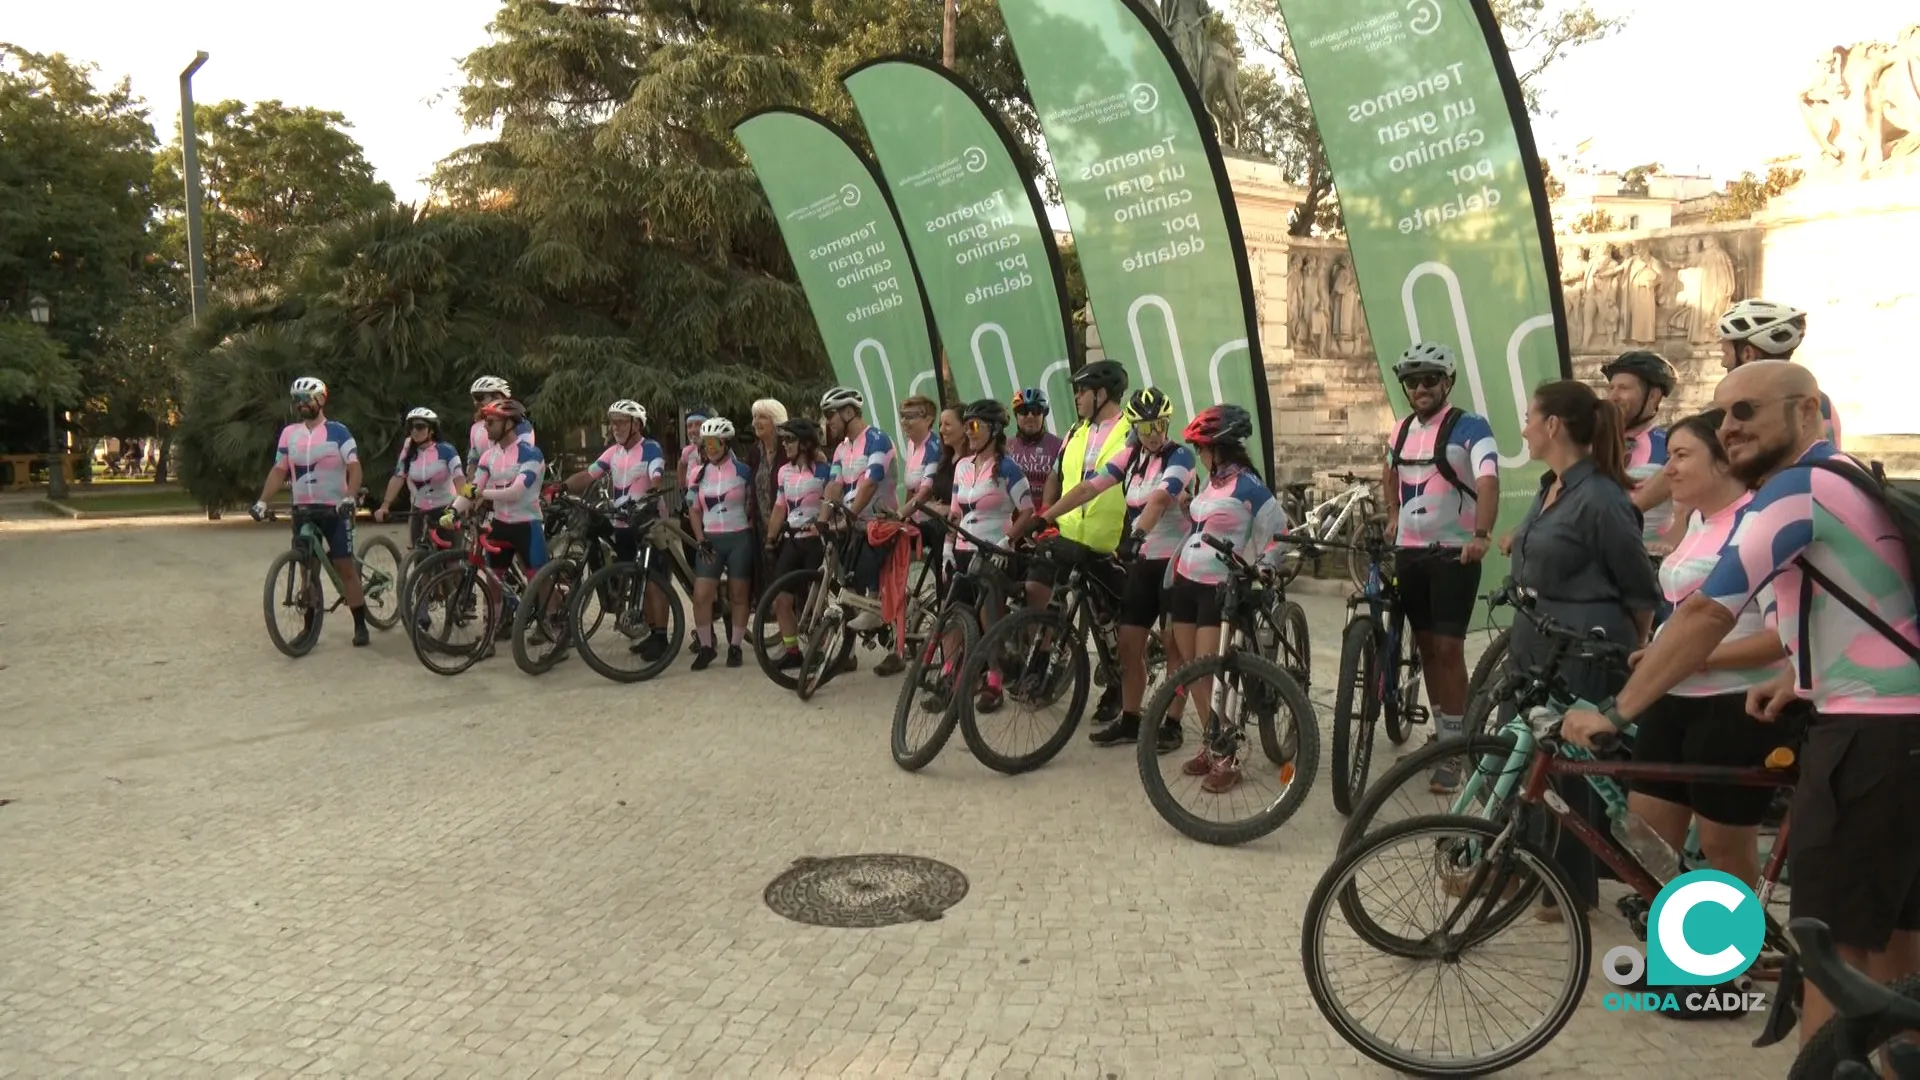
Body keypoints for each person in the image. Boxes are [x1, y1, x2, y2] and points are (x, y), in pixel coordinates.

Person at [1562, 361, 1920, 1046]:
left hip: (1866, 746)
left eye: (1747, 411)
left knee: (1833, 959)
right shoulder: (1849, 480)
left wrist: (1615, 713)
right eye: (1723, 415)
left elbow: (1705, 615)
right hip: (1900, 736)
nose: (1730, 428)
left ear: (1807, 409)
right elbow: (1877, 609)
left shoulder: (1795, 491)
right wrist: (1800, 677)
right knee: (1898, 950)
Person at [1622, 409, 1797, 906]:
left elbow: (1779, 639)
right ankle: (1684, 939)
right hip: (1670, 695)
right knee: (1646, 837)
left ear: (1722, 461)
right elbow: (1684, 607)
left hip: (1733, 704)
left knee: (1724, 848)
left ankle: (1733, 960)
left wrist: (1702, 658)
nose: (1667, 469)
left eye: (1680, 456)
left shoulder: (1755, 524)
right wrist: (1660, 652)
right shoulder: (1696, 519)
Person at [1507, 379, 1663, 920]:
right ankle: (1526, 867)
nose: (1523, 428)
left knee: (1569, 773)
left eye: (1529, 417)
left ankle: (1569, 888)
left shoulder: (1602, 497)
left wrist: (1632, 654)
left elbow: (1642, 590)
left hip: (1586, 646)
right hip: (1535, 640)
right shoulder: (1550, 486)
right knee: (1524, 756)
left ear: (1553, 426)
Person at [1024, 387, 1194, 751]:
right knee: (1130, 646)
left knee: (1174, 647)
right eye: (1145, 427)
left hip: (1175, 563)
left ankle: (1174, 723)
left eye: (1159, 425)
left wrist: (1136, 534)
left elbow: (1161, 499)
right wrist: (1045, 517)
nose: (1153, 434)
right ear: (1135, 427)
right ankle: (1131, 719)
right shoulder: (1130, 455)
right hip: (1142, 563)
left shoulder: (1180, 455)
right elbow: (1088, 487)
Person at [1380, 342, 1500, 792]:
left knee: (1449, 650)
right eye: (1413, 381)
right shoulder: (1401, 430)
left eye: (1430, 379)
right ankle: (1446, 733)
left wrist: (1482, 535)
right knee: (1427, 648)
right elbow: (1389, 473)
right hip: (1410, 553)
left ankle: (1457, 746)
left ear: (1447, 382)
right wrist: (1392, 513)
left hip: (1454, 554)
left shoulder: (1472, 427)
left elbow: (1488, 481)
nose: (1421, 387)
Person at [1166, 405, 1287, 794]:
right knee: (1191, 669)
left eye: (1202, 447)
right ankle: (1211, 741)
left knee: (1211, 670)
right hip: (1187, 580)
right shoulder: (1210, 482)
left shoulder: (1250, 486)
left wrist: (1267, 564)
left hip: (1220, 587)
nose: (1199, 454)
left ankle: (1228, 755)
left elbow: (1279, 531)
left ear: (1220, 448)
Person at [1026, 361, 1132, 725]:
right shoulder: (1074, 431)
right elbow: (1057, 476)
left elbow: (1094, 486)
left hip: (1109, 539)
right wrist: (1047, 514)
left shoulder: (1130, 433)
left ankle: (1119, 686)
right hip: (1069, 534)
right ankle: (1042, 666)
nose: (1076, 397)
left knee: (1108, 619)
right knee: (1047, 594)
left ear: (1101, 394)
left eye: (1081, 391)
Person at [250, 377, 372, 647]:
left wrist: (350, 496)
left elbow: (354, 467)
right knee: (307, 570)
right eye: (297, 400)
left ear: (321, 400)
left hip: (335, 510)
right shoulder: (289, 434)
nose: (301, 405)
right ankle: (309, 629)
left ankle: (360, 624)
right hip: (303, 510)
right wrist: (262, 501)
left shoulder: (338, 431)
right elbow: (279, 469)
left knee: (344, 567)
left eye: (306, 399)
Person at [945, 398, 1036, 712]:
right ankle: (950, 677)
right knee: (955, 615)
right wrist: (947, 545)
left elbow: (1027, 512)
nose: (968, 433)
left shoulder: (1008, 468)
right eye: (966, 426)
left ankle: (995, 682)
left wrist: (1006, 542)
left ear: (993, 430)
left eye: (974, 427)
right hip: (962, 549)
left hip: (992, 552)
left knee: (990, 618)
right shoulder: (961, 467)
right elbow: (956, 513)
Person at [563, 400, 671, 661]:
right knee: (636, 578)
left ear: (637, 424)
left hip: (648, 523)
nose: (615, 427)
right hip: (622, 524)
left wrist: (654, 489)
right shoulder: (613, 453)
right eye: (613, 422)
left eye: (622, 421)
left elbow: (656, 472)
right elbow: (588, 476)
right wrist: (560, 487)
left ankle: (661, 637)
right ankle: (648, 632)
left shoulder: (650, 448)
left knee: (655, 582)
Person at [819, 386, 898, 633]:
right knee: (846, 579)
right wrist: (823, 520)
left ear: (849, 412)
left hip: (878, 519)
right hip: (854, 520)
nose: (826, 421)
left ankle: (874, 603)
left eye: (830, 414)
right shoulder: (842, 448)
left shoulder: (877, 439)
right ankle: (847, 650)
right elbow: (834, 484)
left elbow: (871, 481)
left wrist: (851, 515)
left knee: (866, 562)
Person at [1717, 299, 1841, 448]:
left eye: (1725, 353)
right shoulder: (1822, 402)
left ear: (1748, 354)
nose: (1723, 363)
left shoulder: (1732, 410)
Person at [763, 417, 834, 671]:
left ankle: (822, 650)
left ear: (805, 444)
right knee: (781, 600)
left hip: (817, 542)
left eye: (790, 440)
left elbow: (835, 504)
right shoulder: (784, 472)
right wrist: (770, 540)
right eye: (783, 440)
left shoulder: (826, 470)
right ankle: (792, 650)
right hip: (793, 540)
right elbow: (779, 508)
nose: (785, 445)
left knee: (817, 603)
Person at [687, 415, 755, 670]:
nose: (710, 447)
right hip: (711, 541)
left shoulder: (744, 471)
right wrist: (700, 539)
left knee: (738, 595)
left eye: (715, 442)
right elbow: (693, 510)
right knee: (701, 596)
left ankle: (735, 646)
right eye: (706, 443)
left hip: (740, 538)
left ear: (726, 443)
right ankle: (706, 648)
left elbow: (753, 505)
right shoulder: (697, 473)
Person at [453, 399, 549, 577]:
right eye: (484, 422)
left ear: (509, 423)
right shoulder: (488, 456)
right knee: (494, 586)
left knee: (540, 586)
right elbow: (471, 489)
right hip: (499, 524)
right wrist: (452, 511)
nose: (485, 427)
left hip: (527, 525)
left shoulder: (531, 454)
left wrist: (481, 493)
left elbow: (515, 493)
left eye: (490, 422)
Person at [1603, 351, 1680, 553]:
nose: (1613, 396)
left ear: (1653, 396)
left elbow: (1691, 511)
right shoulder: (1593, 443)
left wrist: (1668, 547)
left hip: (1646, 559)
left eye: (1624, 388)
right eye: (1611, 388)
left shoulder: (1670, 445)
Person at [374, 407, 463, 551]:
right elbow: (398, 477)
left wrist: (459, 508)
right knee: (420, 559)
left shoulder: (447, 450)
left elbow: (460, 480)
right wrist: (385, 506)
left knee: (450, 562)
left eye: (420, 427)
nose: (414, 431)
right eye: (411, 427)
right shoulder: (409, 452)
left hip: (446, 509)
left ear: (432, 430)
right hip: (419, 512)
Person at [466, 376, 533, 471]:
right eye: (474, 398)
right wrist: (470, 483)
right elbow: (473, 460)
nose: (476, 403)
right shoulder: (475, 428)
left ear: (498, 397)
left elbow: (527, 459)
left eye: (480, 397)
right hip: (484, 483)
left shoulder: (522, 425)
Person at [1006, 386, 1063, 498]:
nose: (1030, 416)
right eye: (1024, 411)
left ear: (1043, 414)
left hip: (1048, 513)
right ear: (1016, 416)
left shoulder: (1059, 446)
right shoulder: (1006, 446)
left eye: (1036, 410)